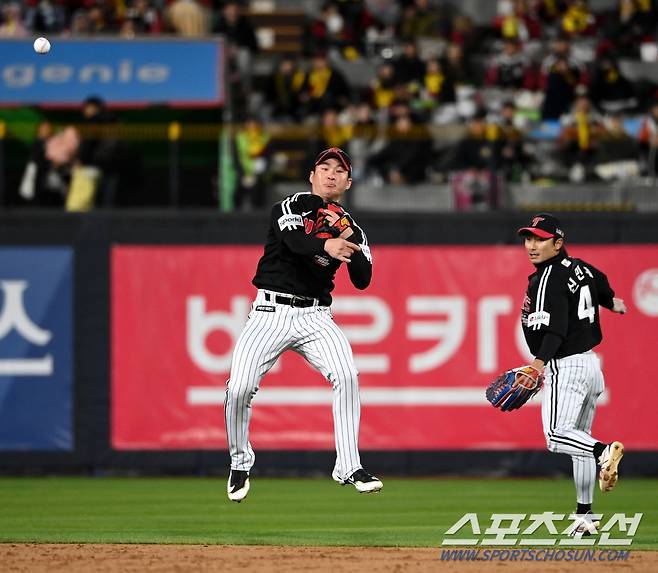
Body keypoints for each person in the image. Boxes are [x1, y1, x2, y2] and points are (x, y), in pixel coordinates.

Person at [224, 147, 382, 502]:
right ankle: (239, 461)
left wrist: (351, 243)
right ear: (311, 175)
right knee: (239, 389)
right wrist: (330, 244)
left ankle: (349, 466)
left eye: (338, 171)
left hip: (315, 317)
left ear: (348, 182)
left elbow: (363, 279)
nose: (330, 174)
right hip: (269, 312)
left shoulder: (350, 226)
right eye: (323, 168)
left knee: (347, 375)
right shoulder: (290, 206)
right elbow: (296, 243)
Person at [516, 213, 626, 535]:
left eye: (540, 239)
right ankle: (585, 517)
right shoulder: (580, 267)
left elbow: (555, 329)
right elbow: (603, 284)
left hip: (566, 364)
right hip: (592, 366)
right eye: (528, 238)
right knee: (578, 438)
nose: (532, 245)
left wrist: (538, 363)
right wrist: (613, 304)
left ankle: (604, 451)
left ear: (558, 243)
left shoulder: (546, 278)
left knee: (556, 435)